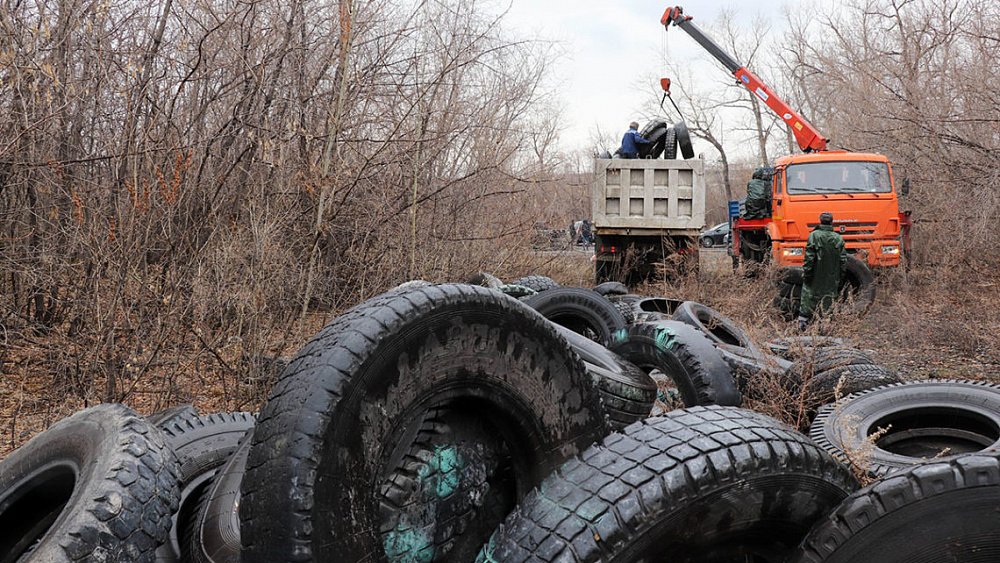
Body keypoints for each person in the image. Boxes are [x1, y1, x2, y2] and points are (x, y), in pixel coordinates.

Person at [798, 211, 847, 331]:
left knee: (808, 298)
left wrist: (807, 273)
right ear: (832, 222)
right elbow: (843, 261)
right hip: (832, 276)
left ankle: (803, 327)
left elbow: (809, 258)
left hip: (814, 274)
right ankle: (824, 327)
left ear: (820, 221)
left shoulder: (814, 235)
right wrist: (840, 278)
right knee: (828, 300)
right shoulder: (838, 238)